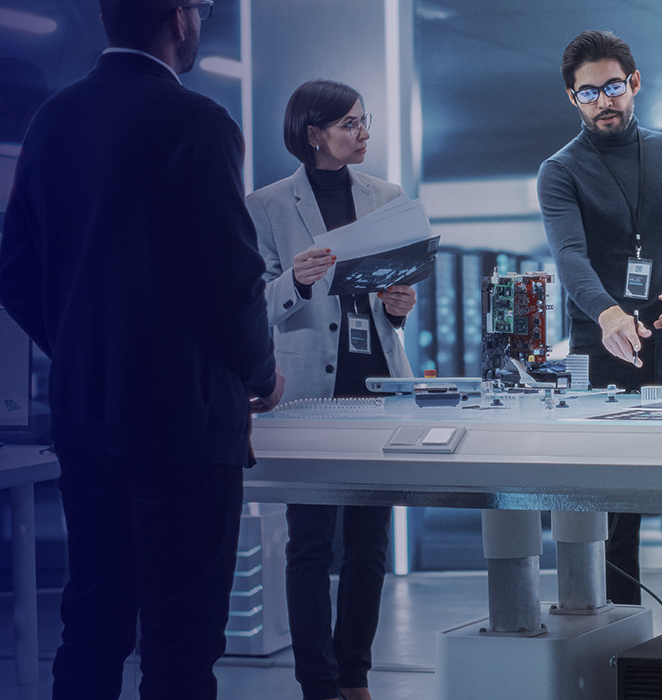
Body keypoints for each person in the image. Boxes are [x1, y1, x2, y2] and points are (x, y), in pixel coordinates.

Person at [0, 1, 283, 698]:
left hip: (87, 422)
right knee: (180, 647)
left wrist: (85, 350)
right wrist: (260, 372)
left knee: (91, 629)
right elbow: (233, 277)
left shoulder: (52, 121)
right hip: (185, 428)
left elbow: (15, 280)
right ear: (180, 18)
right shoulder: (199, 124)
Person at [537, 29, 662, 628]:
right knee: (615, 517)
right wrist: (609, 313)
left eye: (612, 87)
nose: (603, 102)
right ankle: (615, 646)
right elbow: (570, 258)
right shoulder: (560, 171)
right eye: (587, 93)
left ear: (634, 83)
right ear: (573, 98)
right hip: (602, 354)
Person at [244, 79, 416, 700]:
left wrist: (400, 304)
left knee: (370, 545)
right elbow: (254, 307)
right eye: (350, 124)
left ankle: (355, 677)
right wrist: (295, 278)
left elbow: (393, 294)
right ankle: (317, 682)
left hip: (375, 386)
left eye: (365, 122)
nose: (363, 133)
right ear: (314, 133)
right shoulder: (265, 206)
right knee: (311, 544)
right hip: (306, 390)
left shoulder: (386, 196)